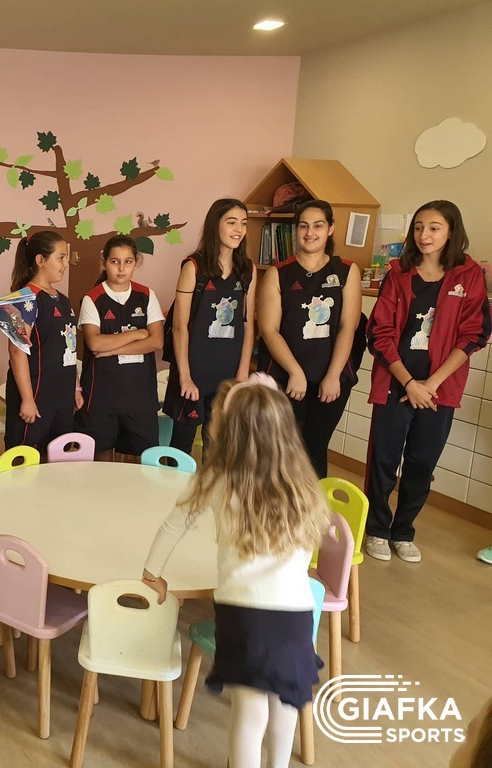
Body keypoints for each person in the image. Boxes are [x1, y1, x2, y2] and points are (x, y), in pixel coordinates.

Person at [142, 374, 330, 768]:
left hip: (244, 615)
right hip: (296, 614)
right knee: (285, 704)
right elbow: (311, 546)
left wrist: (151, 573)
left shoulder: (218, 479)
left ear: (231, 431)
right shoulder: (303, 485)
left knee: (249, 709)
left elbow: (173, 526)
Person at [364, 200, 490, 563]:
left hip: (440, 389)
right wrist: (409, 383)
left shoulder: (469, 275)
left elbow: (475, 334)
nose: (424, 235)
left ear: (451, 231)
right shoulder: (398, 272)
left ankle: (403, 532)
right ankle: (376, 529)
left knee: (421, 463)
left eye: (434, 228)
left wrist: (431, 384)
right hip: (395, 382)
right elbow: (379, 333)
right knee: (383, 461)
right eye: (419, 227)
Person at [257, 199, 362, 478]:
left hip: (331, 378)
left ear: (330, 228)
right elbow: (269, 330)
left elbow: (348, 328)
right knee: (281, 451)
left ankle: (313, 507)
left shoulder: (346, 271)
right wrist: (295, 372)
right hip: (285, 377)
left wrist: (333, 376)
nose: (310, 232)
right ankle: (276, 505)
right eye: (303, 226)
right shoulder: (278, 273)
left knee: (315, 450)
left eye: (318, 226)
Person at [162, 198, 257, 457]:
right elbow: (180, 327)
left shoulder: (247, 269)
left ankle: (211, 487)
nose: (239, 229)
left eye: (243, 223)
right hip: (193, 372)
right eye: (231, 222)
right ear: (216, 225)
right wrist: (185, 376)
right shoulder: (193, 267)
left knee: (218, 449)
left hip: (227, 373)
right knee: (181, 445)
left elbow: (247, 325)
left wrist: (242, 375)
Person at [76, 235, 165, 460]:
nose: (121, 268)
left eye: (128, 261)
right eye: (115, 261)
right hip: (101, 397)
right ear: (104, 262)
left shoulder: (146, 295)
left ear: (136, 263)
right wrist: (136, 334)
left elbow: (156, 341)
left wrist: (112, 349)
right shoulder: (92, 299)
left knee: (144, 459)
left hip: (140, 396)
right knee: (99, 460)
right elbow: (95, 343)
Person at [4, 230, 82, 453]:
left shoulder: (63, 300)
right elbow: (17, 350)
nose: (65, 264)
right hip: (36, 393)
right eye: (61, 258)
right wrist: (27, 399)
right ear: (41, 260)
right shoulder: (26, 299)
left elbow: (69, 347)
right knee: (25, 456)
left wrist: (76, 387)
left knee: (57, 454)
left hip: (62, 394)